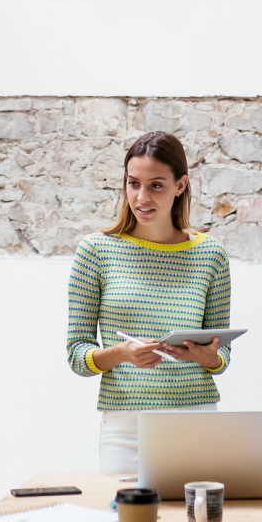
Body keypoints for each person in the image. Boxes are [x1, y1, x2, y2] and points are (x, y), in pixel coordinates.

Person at [66, 130, 231, 475]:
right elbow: (77, 354)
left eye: (156, 185)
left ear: (180, 185)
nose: (141, 197)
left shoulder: (210, 255)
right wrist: (122, 353)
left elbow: (222, 356)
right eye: (133, 183)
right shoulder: (96, 251)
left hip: (196, 417)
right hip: (126, 425)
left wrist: (207, 356)